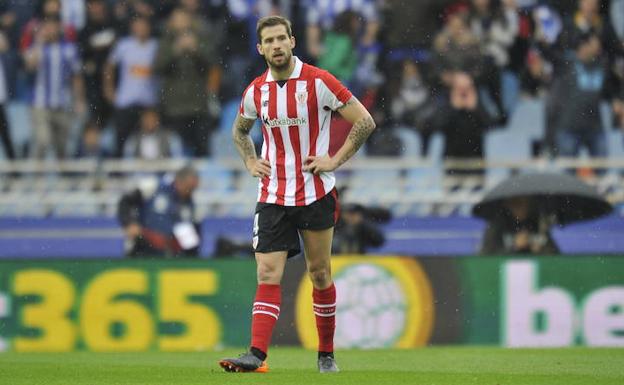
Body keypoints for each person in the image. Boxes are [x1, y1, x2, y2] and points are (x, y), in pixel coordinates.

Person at [219, 15, 376, 374]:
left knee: (319, 272)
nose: (275, 46)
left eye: (280, 39)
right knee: (267, 273)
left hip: (315, 192)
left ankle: (326, 355)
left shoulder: (319, 82)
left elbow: (365, 120)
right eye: (268, 41)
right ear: (260, 49)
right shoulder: (255, 92)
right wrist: (249, 161)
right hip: (273, 194)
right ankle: (256, 355)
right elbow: (240, 131)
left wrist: (334, 160)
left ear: (292, 41)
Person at [117, 165, 200, 258]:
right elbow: (125, 202)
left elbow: (190, 243)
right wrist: (129, 223)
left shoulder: (190, 206)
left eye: (193, 189)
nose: (190, 192)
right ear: (179, 181)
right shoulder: (154, 186)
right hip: (141, 249)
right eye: (188, 187)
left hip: (167, 255)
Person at [479, 196, 560, 255]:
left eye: (523, 202)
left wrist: (541, 250)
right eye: (514, 203)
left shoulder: (539, 225)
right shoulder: (497, 226)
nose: (520, 207)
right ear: (507, 205)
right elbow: (486, 256)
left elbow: (555, 256)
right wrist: (514, 247)